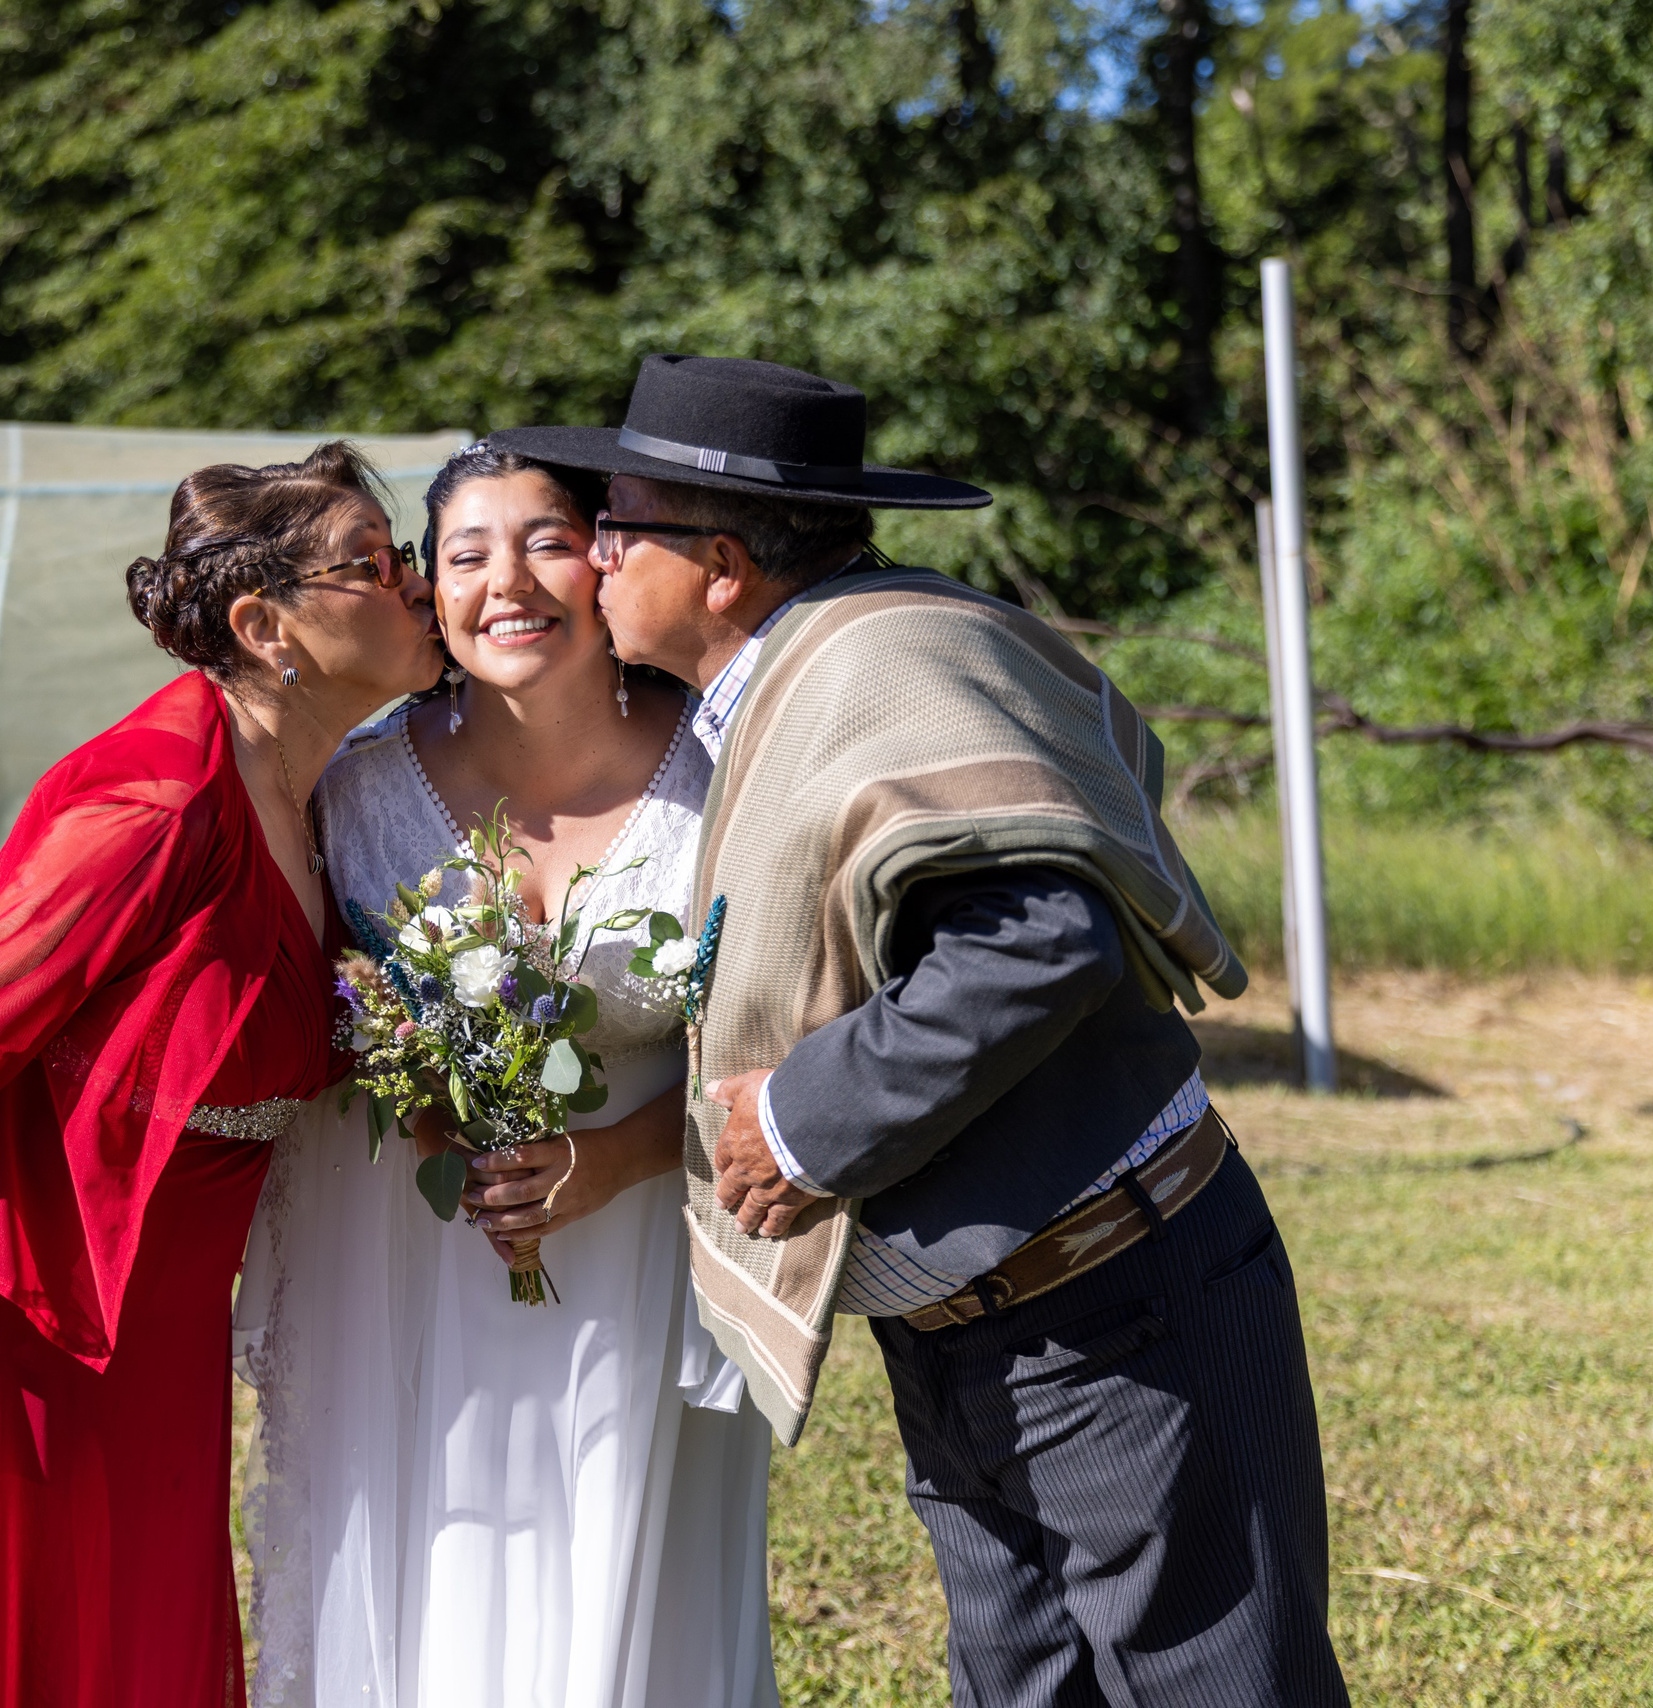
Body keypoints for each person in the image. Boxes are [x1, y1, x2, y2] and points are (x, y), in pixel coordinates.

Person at [490, 354, 1352, 1707]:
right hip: (991, 1328)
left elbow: (1038, 936)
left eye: (616, 528)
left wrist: (799, 1121)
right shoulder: (825, 661)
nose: (588, 561)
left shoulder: (877, 663)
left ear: (719, 564)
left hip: (1113, 1316)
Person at [0, 442, 443, 1708]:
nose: (417, 585)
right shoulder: (155, 799)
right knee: (28, 1650)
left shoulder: (324, 797)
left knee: (132, 1643)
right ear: (263, 623)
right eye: (375, 564)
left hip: (157, 1314)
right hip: (19, 1304)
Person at [235, 442, 779, 1708]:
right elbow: (313, 1009)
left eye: (542, 540)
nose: (505, 582)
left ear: (599, 561)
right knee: (438, 1545)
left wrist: (615, 1160)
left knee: (624, 1571)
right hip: (410, 1256)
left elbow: (775, 1033)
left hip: (645, 1242)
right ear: (431, 587)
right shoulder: (358, 785)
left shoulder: (720, 780)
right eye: (464, 553)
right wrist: (429, 1102)